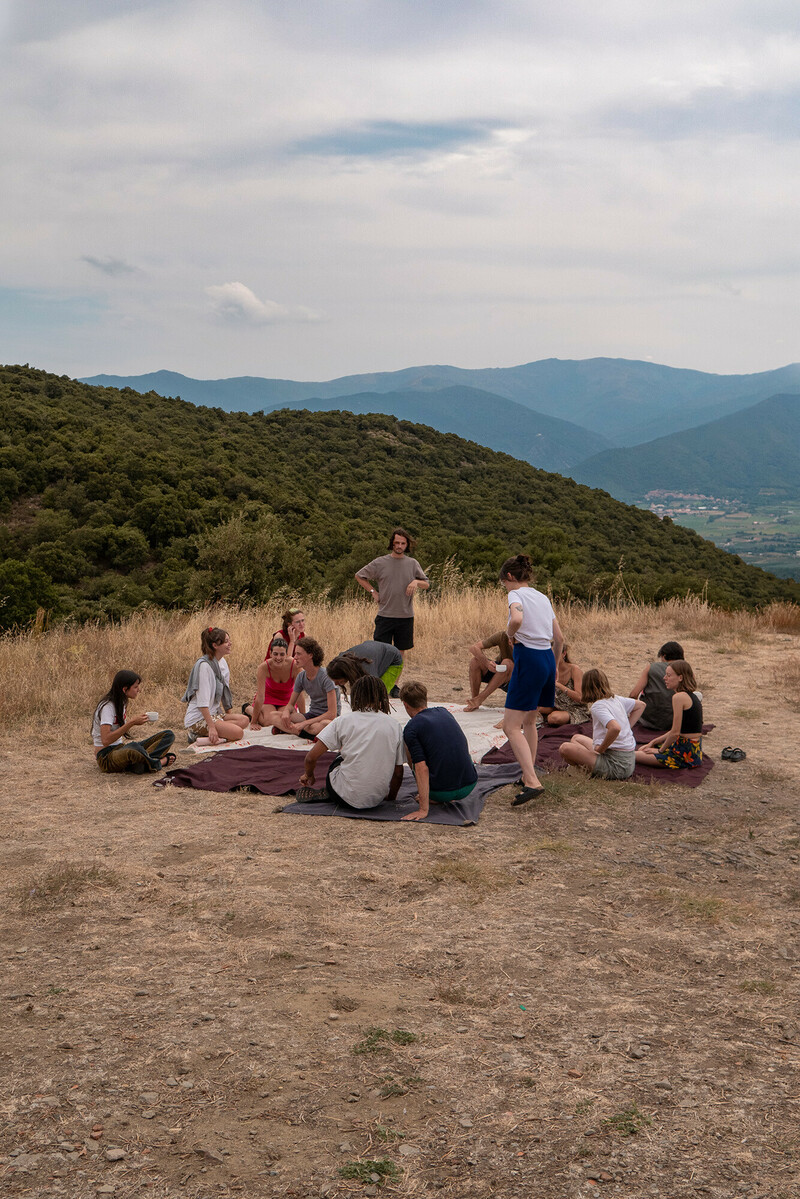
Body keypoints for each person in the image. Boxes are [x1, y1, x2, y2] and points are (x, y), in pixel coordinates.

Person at [499, 554, 564, 806]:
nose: (505, 588)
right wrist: (554, 666)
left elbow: (516, 619)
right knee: (529, 720)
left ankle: (533, 781)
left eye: (504, 583)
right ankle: (529, 773)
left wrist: (509, 634)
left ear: (510, 577)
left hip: (529, 658)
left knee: (510, 726)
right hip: (546, 657)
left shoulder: (515, 595)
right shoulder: (542, 597)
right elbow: (559, 638)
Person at [296, 675, 405, 807]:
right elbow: (398, 773)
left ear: (355, 696)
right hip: (376, 799)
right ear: (382, 696)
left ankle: (336, 788)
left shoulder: (343, 721)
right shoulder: (394, 725)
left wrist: (309, 775)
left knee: (341, 755)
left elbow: (310, 758)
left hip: (341, 796)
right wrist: (390, 798)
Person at [399, 681, 478, 821]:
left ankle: (432, 796)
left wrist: (423, 810)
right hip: (470, 783)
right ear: (425, 698)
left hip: (442, 793)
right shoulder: (444, 711)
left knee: (409, 747)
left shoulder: (411, 728)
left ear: (405, 705)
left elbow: (421, 768)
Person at [355, 528, 430, 661]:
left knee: (399, 655)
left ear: (407, 545)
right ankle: (381, 676)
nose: (399, 546)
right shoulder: (380, 562)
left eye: (403, 543)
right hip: (385, 616)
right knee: (380, 653)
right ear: (392, 543)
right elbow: (359, 576)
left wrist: (416, 582)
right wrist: (373, 592)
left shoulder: (413, 563)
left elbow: (426, 584)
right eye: (397, 543)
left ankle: (396, 676)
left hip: (405, 616)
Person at [559, 669, 645, 780]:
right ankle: (586, 766)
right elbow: (641, 705)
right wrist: (627, 727)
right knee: (576, 738)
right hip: (628, 761)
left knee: (565, 748)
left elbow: (615, 728)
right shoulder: (616, 699)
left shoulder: (598, 706)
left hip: (616, 765)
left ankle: (583, 771)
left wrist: (601, 749)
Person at [92, 670, 176, 773]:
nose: (138, 690)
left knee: (168, 735)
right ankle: (158, 763)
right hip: (106, 757)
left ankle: (140, 763)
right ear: (124, 689)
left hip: (120, 749)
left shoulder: (121, 702)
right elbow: (105, 740)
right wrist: (131, 723)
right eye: (135, 687)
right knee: (134, 748)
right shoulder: (107, 707)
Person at [182, 627, 250, 746]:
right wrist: (212, 727)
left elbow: (225, 692)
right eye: (226, 641)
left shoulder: (222, 662)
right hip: (199, 718)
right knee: (238, 733)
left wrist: (228, 717)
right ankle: (200, 735)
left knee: (244, 720)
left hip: (214, 714)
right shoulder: (204, 666)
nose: (230, 644)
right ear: (215, 645)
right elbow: (202, 703)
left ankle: (213, 733)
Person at [635, 660, 704, 770]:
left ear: (680, 678)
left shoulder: (679, 697)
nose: (664, 678)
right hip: (693, 751)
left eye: (668, 675)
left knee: (632, 756)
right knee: (643, 749)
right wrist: (653, 742)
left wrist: (660, 751)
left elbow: (675, 732)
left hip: (683, 754)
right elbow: (676, 731)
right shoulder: (691, 696)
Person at [275, 636, 340, 737]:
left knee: (322, 725)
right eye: (295, 654)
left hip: (327, 719)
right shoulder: (301, 676)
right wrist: (286, 712)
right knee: (277, 716)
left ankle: (296, 730)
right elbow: (291, 704)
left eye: (299, 654)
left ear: (310, 655)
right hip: (312, 715)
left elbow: (332, 713)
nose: (295, 657)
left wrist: (305, 723)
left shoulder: (326, 676)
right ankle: (305, 732)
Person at [246, 636, 301, 730]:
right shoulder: (263, 667)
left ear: (287, 654)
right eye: (275, 654)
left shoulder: (295, 666)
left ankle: (259, 712)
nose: (278, 658)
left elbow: (299, 694)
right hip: (269, 697)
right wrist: (253, 722)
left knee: (287, 719)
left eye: (282, 654)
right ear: (270, 654)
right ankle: (248, 709)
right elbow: (260, 696)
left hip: (287, 698)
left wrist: (304, 717)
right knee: (268, 722)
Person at [630, 641, 684, 731]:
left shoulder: (651, 668)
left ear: (664, 656)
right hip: (675, 721)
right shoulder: (686, 669)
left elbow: (633, 694)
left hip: (648, 720)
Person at [327, 640, 404, 699]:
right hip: (374, 653)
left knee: (379, 694)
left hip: (393, 661)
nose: (336, 684)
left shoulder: (367, 670)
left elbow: (374, 688)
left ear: (346, 673)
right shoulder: (340, 660)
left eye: (338, 681)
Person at [539, 643, 590, 727]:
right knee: (530, 709)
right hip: (556, 707)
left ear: (564, 654)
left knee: (553, 718)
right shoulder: (548, 671)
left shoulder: (574, 670)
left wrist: (559, 685)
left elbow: (580, 698)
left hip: (575, 709)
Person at [465, 631, 514, 711]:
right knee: (475, 661)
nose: (510, 642)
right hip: (502, 673)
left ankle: (480, 698)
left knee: (507, 663)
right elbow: (474, 648)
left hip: (518, 680)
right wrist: (487, 664)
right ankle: (474, 701)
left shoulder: (530, 643)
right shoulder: (502, 636)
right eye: (510, 639)